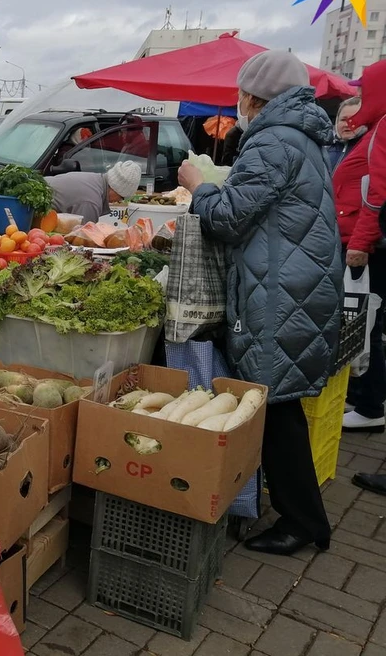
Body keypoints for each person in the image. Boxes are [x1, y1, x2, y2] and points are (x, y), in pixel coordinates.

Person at [177, 50, 342, 556]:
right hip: (294, 283)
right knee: (277, 405)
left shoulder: (272, 141)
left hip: (280, 291)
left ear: (254, 97)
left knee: (275, 408)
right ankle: (304, 516)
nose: (238, 103)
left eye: (240, 95)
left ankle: (302, 523)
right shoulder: (301, 137)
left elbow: (227, 218)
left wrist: (199, 187)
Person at [331, 65, 386, 433]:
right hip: (358, 239)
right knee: (366, 322)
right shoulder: (374, 131)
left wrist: (361, 243)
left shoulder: (382, 130)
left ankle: (369, 405)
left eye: (364, 94)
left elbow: (377, 194)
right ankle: (365, 398)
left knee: (368, 322)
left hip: (364, 245)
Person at [46, 160, 141, 224]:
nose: (119, 201)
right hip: (33, 209)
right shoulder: (92, 202)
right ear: (115, 189)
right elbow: (81, 238)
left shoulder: (95, 180)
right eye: (122, 197)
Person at [328, 96, 365, 172]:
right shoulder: (325, 147)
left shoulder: (370, 150)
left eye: (353, 119)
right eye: (343, 119)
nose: (347, 124)